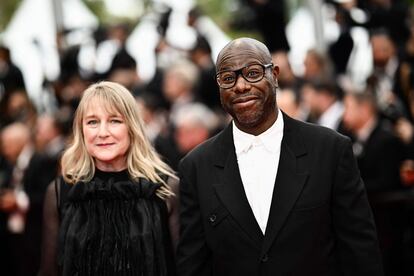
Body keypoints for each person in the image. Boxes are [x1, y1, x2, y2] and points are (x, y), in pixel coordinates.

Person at [176, 37, 383, 276]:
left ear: (274, 75)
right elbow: (193, 263)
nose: (241, 86)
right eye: (228, 78)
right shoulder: (196, 166)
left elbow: (360, 252)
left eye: (252, 73)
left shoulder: (330, 150)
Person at [39, 81, 179, 276]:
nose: (102, 133)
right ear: (81, 130)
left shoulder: (166, 189)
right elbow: (49, 271)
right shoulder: (60, 192)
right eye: (92, 122)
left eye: (114, 120)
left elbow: (184, 268)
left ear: (132, 127)